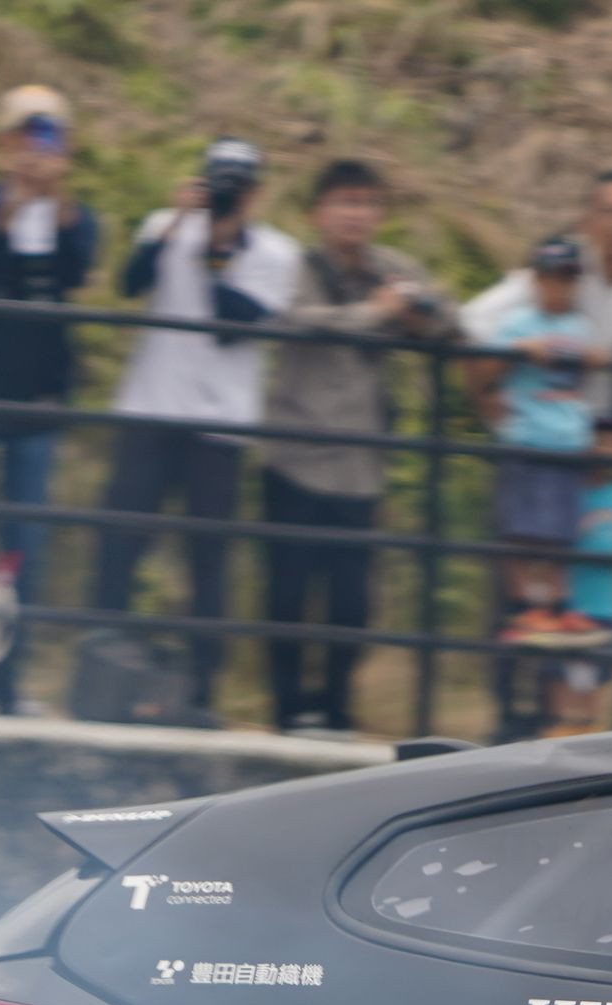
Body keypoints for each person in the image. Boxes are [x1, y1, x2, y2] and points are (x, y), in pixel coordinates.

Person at [93, 136, 301, 720]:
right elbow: (128, 283)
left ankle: (202, 689)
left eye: (239, 185)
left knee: (207, 558)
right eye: (219, 182)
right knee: (120, 541)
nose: (229, 194)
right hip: (149, 408)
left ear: (257, 193)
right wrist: (178, 224)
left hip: (219, 424)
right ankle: (100, 673)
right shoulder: (166, 226)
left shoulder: (276, 253)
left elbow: (232, 325)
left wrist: (217, 247)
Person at [257, 157, 447, 738]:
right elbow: (298, 321)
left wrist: (418, 316)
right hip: (294, 457)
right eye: (344, 202)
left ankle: (336, 708)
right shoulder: (295, 266)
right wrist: (376, 313)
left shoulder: (392, 269)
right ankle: (289, 710)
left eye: (367, 203)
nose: (356, 214)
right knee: (287, 593)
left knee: (352, 603)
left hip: (361, 466)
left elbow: (447, 318)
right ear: (319, 211)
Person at [0, 84, 98, 713]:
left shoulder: (74, 216)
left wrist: (56, 200)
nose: (36, 147)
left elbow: (79, 270)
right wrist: (9, 207)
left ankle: (6, 685)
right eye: (26, 133)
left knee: (22, 552)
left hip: (38, 399)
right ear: (2, 141)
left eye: (49, 135)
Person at [471, 234, 607, 732]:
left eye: (568, 279)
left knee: (559, 536)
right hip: (526, 439)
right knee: (521, 532)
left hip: (567, 443)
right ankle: (525, 607)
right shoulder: (517, 323)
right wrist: (518, 351)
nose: (559, 287)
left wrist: (594, 357)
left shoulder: (579, 326)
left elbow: (596, 360)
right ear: (536, 280)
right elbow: (486, 369)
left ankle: (555, 607)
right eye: (552, 278)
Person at [457, 166, 612, 426]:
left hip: (599, 430)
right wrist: (484, 395)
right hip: (539, 425)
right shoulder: (560, 271)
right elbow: (471, 324)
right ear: (588, 220)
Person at [554, 414, 612, 730]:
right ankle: (565, 734)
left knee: (601, 684)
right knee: (571, 682)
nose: (608, 449)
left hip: (610, 608)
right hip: (575, 607)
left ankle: (591, 735)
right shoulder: (572, 494)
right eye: (601, 441)